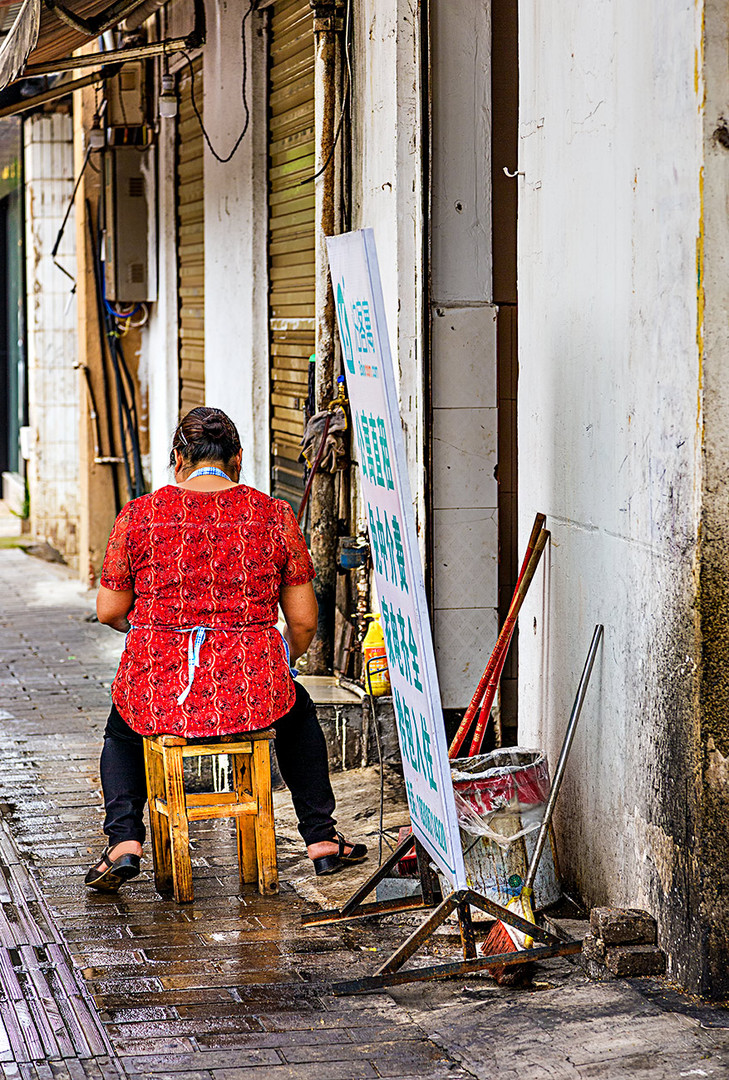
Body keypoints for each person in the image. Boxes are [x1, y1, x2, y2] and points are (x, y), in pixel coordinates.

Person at [85, 406, 367, 892]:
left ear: (178, 459)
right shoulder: (273, 514)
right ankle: (321, 840)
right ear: (237, 460)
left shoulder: (140, 516)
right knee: (297, 712)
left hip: (160, 689)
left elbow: (110, 610)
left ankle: (124, 843)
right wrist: (284, 662)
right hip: (252, 689)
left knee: (123, 727)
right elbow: (302, 620)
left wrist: (157, 632)